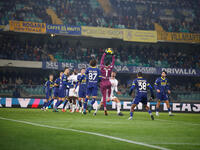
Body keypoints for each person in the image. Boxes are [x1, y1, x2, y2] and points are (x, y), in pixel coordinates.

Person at [100, 48, 115, 115]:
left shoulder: (102, 67)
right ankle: (109, 96)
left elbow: (102, 60)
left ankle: (105, 108)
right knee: (109, 88)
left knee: (103, 96)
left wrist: (104, 53)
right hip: (108, 81)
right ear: (108, 64)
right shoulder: (110, 68)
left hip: (103, 81)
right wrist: (113, 55)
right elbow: (113, 62)